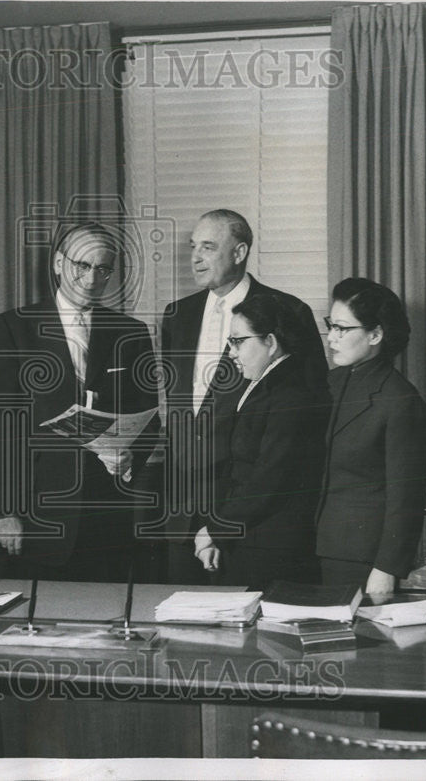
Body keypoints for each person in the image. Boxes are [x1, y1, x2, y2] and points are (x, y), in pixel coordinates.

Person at [158, 209, 328, 583]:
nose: (195, 258)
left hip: (249, 518)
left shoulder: (288, 312)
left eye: (208, 247)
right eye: (193, 247)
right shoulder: (177, 315)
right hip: (183, 513)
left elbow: (309, 413)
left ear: (239, 252)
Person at [0, 223, 158, 582]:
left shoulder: (132, 333)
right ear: (59, 263)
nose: (92, 278)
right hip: (38, 511)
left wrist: (130, 457)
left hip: (106, 511)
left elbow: (149, 418)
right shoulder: (14, 328)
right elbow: (2, 426)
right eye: (82, 265)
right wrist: (5, 510)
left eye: (102, 269)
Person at [192, 293, 329, 590]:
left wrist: (215, 530)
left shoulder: (291, 395)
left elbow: (268, 480)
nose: (231, 353)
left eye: (238, 341)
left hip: (272, 548)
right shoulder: (262, 386)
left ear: (271, 341)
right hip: (250, 539)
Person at [315, 277, 426, 594]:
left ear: (375, 334)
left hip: (361, 559)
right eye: (331, 326)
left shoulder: (401, 401)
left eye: (342, 328)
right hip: (313, 547)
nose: (331, 338)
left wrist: (386, 568)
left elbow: (405, 498)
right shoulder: (331, 382)